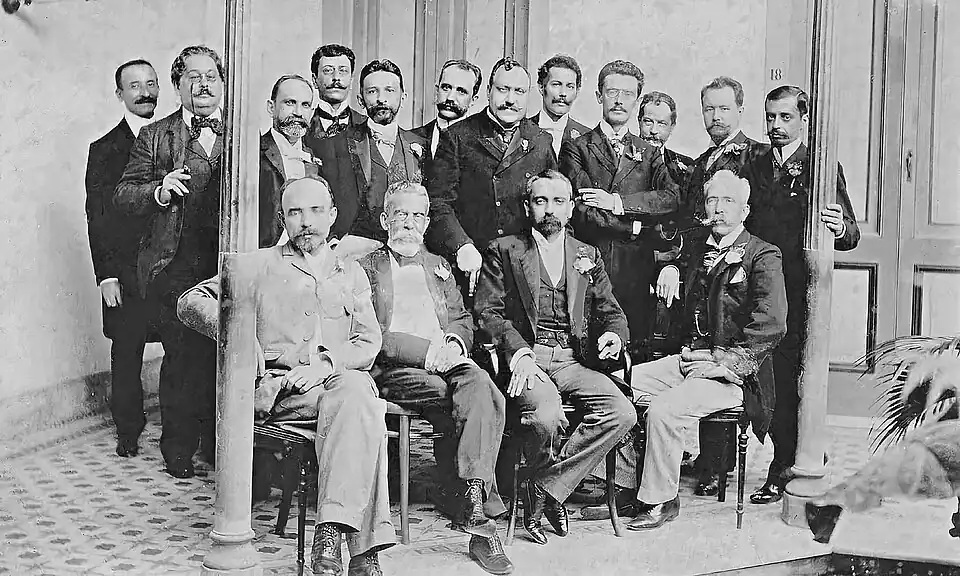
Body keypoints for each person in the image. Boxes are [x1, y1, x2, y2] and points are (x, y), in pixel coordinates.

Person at [176, 176, 391, 576]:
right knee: (366, 410)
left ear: (332, 215)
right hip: (283, 393)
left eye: (315, 211)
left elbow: (368, 341)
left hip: (336, 386)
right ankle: (361, 553)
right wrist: (238, 334)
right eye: (295, 212)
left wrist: (325, 366)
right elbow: (191, 301)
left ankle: (330, 536)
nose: (306, 221)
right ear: (283, 219)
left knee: (357, 398)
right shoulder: (259, 264)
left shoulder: (351, 273)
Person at [592, 170, 787, 529]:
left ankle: (661, 500)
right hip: (689, 359)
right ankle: (627, 485)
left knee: (664, 410)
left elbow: (771, 323)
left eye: (728, 201)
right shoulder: (697, 246)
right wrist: (669, 266)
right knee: (614, 387)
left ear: (744, 211)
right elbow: (670, 250)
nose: (719, 208)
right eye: (713, 200)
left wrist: (725, 363)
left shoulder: (762, 255)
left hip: (734, 375)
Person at [474, 169, 637, 545]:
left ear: (571, 208)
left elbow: (610, 311)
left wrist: (613, 335)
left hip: (572, 359)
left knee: (622, 412)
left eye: (558, 201)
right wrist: (519, 353)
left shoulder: (586, 254)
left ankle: (545, 488)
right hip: (528, 358)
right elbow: (488, 312)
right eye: (541, 201)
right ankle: (549, 490)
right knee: (546, 416)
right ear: (527, 207)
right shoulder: (504, 249)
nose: (549, 209)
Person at [358, 182, 513, 575]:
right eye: (400, 214)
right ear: (385, 220)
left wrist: (454, 343)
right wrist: (428, 353)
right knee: (474, 398)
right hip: (396, 368)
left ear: (428, 223)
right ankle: (481, 515)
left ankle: (473, 501)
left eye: (417, 216)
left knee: (481, 386)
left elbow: (461, 318)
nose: (409, 223)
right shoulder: (365, 268)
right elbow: (369, 332)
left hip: (447, 361)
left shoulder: (440, 266)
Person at [742, 85, 860, 505]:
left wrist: (838, 225)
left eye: (785, 117)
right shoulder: (752, 162)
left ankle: (785, 465)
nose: (775, 125)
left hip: (796, 290)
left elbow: (851, 234)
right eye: (770, 117)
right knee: (764, 376)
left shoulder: (820, 166)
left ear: (804, 120)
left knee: (787, 379)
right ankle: (791, 453)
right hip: (758, 287)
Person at [114, 45, 225, 478]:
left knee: (224, 357)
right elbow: (123, 195)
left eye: (211, 76)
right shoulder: (155, 135)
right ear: (178, 85)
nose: (203, 85)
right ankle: (178, 449)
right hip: (173, 265)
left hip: (225, 266)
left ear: (222, 84)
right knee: (182, 357)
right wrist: (159, 190)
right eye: (193, 77)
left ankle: (219, 447)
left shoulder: (241, 134)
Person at [559, 60, 680, 349]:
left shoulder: (648, 153)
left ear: (636, 101)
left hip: (635, 270)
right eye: (612, 92)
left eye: (627, 94)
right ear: (599, 96)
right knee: (587, 347)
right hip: (589, 262)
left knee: (633, 348)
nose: (619, 100)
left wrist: (617, 202)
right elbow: (583, 210)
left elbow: (671, 198)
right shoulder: (576, 148)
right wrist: (637, 228)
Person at [426, 56, 557, 296]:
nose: (510, 100)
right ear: (488, 91)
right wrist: (461, 246)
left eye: (519, 91)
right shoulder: (457, 137)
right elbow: (438, 203)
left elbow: (554, 205)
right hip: (474, 266)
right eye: (503, 89)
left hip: (525, 269)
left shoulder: (541, 141)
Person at [84, 58, 160, 458]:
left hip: (167, 269)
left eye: (150, 84)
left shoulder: (174, 139)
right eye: (135, 86)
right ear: (120, 95)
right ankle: (128, 431)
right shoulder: (104, 149)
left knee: (181, 350)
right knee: (127, 351)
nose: (145, 92)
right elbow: (97, 216)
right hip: (125, 272)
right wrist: (107, 275)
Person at [314, 59, 429, 242]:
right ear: (361, 100)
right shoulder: (336, 144)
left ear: (403, 97)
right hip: (356, 249)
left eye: (389, 90)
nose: (381, 99)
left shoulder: (421, 145)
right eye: (372, 91)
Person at [259, 74, 322, 248]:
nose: (298, 113)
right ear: (271, 107)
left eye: (305, 105)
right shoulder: (253, 153)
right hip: (265, 255)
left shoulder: (315, 158)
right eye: (290, 103)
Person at [411, 59, 482, 156]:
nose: (450, 98)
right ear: (437, 90)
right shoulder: (412, 137)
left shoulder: (481, 145)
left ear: (473, 99)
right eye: (446, 88)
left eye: (461, 91)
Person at [304, 43, 367, 145]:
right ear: (315, 80)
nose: (336, 77)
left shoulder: (367, 125)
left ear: (351, 80)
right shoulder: (304, 123)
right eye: (328, 70)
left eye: (343, 71)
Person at [530, 54, 590, 158]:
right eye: (556, 84)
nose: (563, 93)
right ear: (541, 87)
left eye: (570, 87)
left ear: (577, 91)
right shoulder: (522, 131)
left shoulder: (588, 138)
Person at [638, 91, 694, 188]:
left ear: (672, 127)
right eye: (648, 122)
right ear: (639, 121)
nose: (654, 131)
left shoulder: (687, 164)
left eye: (661, 124)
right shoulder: (621, 157)